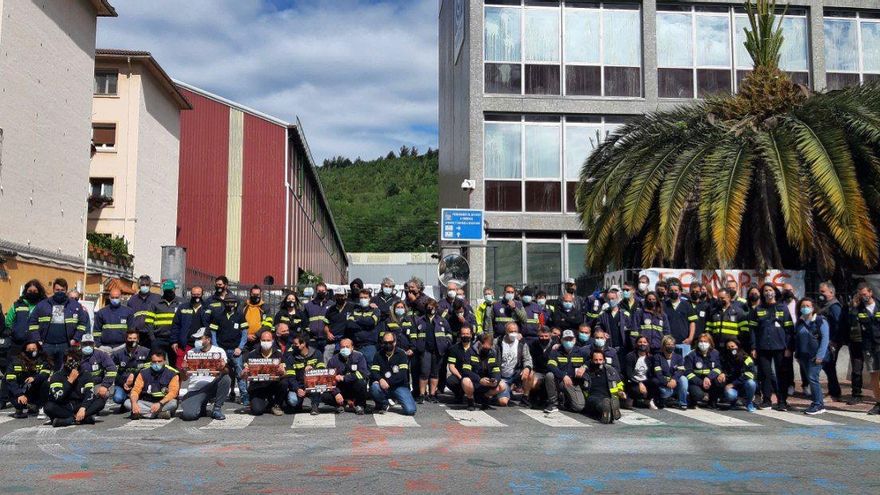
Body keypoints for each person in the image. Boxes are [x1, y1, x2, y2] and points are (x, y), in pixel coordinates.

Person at [749, 283, 794, 411]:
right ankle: (767, 401)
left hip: (780, 347)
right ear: (762, 294)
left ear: (775, 292)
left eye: (770, 290)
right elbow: (753, 330)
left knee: (782, 374)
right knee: (765, 374)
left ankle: (782, 401)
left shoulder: (783, 308)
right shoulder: (758, 309)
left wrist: (789, 347)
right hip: (763, 347)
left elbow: (789, 329)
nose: (768, 292)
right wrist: (753, 347)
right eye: (765, 290)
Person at [2, 280, 45, 408]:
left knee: (33, 371)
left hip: (34, 345)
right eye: (30, 291)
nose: (32, 293)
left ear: (39, 292)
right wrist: (15, 332)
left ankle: (33, 400)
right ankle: (3, 399)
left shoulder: (43, 305)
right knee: (10, 372)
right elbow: (9, 321)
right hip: (17, 344)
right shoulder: (18, 304)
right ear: (25, 291)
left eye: (35, 291)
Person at [28, 278, 88, 370]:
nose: (60, 292)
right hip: (46, 345)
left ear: (66, 290)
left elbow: (82, 324)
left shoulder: (75, 305)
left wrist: (75, 339)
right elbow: (32, 323)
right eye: (57, 290)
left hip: (66, 345)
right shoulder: (42, 305)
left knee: (63, 371)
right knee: (45, 370)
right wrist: (37, 340)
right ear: (53, 289)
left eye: (62, 290)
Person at [179, 327, 230, 421]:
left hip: (212, 386)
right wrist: (183, 369)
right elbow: (184, 378)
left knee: (226, 378)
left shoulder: (219, 351)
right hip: (195, 389)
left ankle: (217, 408)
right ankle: (201, 405)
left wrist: (223, 367)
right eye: (196, 339)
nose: (196, 341)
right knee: (189, 415)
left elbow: (227, 371)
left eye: (199, 338)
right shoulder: (190, 353)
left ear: (208, 339)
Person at [45, 349, 104, 427]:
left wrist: (83, 408)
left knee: (100, 401)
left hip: (80, 404)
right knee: (48, 407)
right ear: (64, 362)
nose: (74, 363)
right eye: (70, 361)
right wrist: (69, 381)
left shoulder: (86, 374)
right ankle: (83, 419)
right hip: (65, 405)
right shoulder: (57, 376)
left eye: (76, 360)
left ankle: (69, 420)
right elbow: (58, 397)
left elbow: (89, 394)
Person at [208, 296, 249, 405]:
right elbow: (213, 333)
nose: (230, 304)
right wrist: (216, 348)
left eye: (232, 302)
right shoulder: (217, 316)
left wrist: (240, 347)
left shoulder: (240, 316)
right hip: (222, 350)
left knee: (240, 374)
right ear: (224, 303)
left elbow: (245, 333)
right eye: (227, 302)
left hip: (236, 351)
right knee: (217, 373)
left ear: (236, 304)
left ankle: (244, 396)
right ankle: (214, 396)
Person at [794, 298, 829, 415]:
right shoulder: (800, 322)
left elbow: (825, 339)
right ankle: (817, 402)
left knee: (813, 378)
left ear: (813, 308)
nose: (805, 308)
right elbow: (797, 339)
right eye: (803, 306)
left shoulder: (820, 321)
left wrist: (820, 356)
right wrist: (797, 354)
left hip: (815, 356)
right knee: (810, 379)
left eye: (808, 306)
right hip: (804, 355)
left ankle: (818, 404)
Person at [370, 332, 416, 416]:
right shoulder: (378, 354)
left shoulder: (402, 354)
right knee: (374, 387)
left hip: (399, 386)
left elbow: (402, 374)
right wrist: (380, 379)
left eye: (390, 342)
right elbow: (374, 371)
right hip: (383, 386)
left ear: (395, 342)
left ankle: (394, 398)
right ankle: (384, 403)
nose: (387, 345)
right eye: (385, 343)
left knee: (410, 410)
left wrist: (387, 382)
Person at [242, 330, 286, 416]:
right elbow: (244, 376)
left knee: (284, 382)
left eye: (268, 340)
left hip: (272, 385)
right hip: (257, 387)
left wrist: (282, 371)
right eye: (264, 340)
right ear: (260, 341)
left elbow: (285, 373)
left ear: (272, 341)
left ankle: (276, 404)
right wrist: (244, 373)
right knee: (257, 411)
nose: (266, 342)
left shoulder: (278, 354)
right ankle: (267, 403)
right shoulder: (252, 354)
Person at [544, 330, 589, 413]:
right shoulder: (556, 352)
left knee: (578, 407)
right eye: (566, 339)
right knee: (549, 375)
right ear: (561, 340)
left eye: (570, 339)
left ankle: (565, 400)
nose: (568, 341)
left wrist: (584, 367)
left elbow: (590, 361)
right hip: (559, 381)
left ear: (574, 340)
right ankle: (553, 403)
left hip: (574, 382)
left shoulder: (581, 352)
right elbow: (550, 365)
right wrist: (563, 376)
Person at [125, 350, 179, 419]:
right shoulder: (143, 373)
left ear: (164, 362)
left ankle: (144, 414)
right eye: (154, 362)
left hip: (163, 403)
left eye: (159, 361)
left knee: (173, 403)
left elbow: (173, 393)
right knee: (127, 402)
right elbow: (135, 390)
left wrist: (160, 403)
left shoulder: (172, 374)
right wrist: (134, 404)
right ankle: (159, 414)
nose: (157, 364)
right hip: (147, 402)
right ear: (151, 362)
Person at [417, 300, 452, 403]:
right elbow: (415, 335)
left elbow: (449, 334)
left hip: (438, 351)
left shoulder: (442, 320)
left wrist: (446, 343)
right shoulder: (420, 320)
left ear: (436, 308)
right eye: (429, 306)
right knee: (424, 372)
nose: (431, 309)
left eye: (433, 307)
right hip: (425, 350)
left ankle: (432, 394)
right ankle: (422, 394)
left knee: (435, 373)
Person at [7, 339, 51, 418]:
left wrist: (35, 378)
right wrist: (19, 394)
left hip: (34, 389)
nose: (32, 351)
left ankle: (39, 406)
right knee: (19, 403)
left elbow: (45, 374)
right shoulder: (17, 361)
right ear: (25, 350)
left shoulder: (43, 359)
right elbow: (10, 379)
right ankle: (20, 409)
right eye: (29, 350)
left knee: (46, 384)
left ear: (38, 349)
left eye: (34, 349)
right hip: (19, 390)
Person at [854, 282, 880, 415]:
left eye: (865, 294)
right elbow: (852, 324)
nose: (863, 297)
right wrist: (853, 308)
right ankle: (878, 403)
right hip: (869, 346)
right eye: (861, 295)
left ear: (870, 292)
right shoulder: (858, 309)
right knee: (874, 374)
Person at [283, 333, 326, 415]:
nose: (293, 346)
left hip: (313, 384)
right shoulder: (291, 357)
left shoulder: (317, 353)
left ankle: (315, 405)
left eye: (295, 344)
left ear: (303, 344)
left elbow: (322, 371)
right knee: (293, 401)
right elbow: (291, 377)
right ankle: (298, 405)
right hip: (299, 385)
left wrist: (313, 370)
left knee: (317, 388)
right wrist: (297, 389)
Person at [461, 333, 505, 410]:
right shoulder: (470, 352)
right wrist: (479, 380)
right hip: (474, 382)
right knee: (465, 380)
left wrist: (495, 380)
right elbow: (466, 370)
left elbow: (496, 369)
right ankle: (470, 401)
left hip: (487, 382)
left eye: (489, 348)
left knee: (502, 385)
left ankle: (486, 399)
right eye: (485, 348)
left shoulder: (492, 353)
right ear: (479, 343)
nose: (486, 350)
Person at [494, 322, 533, 407]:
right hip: (502, 376)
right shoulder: (497, 342)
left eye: (515, 331)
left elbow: (528, 359)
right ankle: (505, 391)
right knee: (503, 402)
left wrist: (527, 368)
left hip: (516, 374)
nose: (513, 333)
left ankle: (525, 398)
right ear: (506, 331)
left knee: (530, 373)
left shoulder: (521, 343)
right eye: (511, 331)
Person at [326, 338, 370, 414]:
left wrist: (345, 378)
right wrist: (336, 393)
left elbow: (363, 374)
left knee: (361, 382)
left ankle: (360, 405)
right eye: (343, 347)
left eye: (347, 346)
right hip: (341, 388)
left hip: (354, 387)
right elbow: (328, 379)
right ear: (340, 348)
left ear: (352, 347)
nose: (345, 349)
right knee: (324, 395)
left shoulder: (359, 357)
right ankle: (342, 404)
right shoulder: (333, 360)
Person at [818, 282, 844, 402]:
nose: (820, 294)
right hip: (826, 341)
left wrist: (834, 340)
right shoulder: (826, 305)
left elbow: (838, 324)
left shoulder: (834, 306)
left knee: (829, 366)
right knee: (828, 366)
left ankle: (835, 393)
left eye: (823, 291)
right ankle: (833, 391)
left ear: (831, 292)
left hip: (831, 342)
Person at [111, 329, 151, 409]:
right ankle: (126, 401)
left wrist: (133, 376)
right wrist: (124, 383)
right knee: (118, 398)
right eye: (130, 338)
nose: (132, 340)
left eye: (134, 338)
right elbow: (114, 373)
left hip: (140, 383)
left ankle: (135, 402)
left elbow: (148, 371)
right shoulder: (117, 354)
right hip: (122, 384)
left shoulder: (146, 352)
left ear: (138, 340)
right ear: (126, 339)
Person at [583, 349, 626, 424]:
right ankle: (609, 411)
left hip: (609, 396)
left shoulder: (611, 370)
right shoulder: (586, 371)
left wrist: (620, 392)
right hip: (592, 397)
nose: (598, 362)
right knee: (598, 403)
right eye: (595, 360)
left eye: (600, 360)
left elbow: (619, 383)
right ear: (591, 360)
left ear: (604, 360)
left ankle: (609, 412)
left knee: (608, 401)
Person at [170, 286, 207, 366]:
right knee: (182, 367)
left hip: (202, 344)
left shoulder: (207, 308)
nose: (196, 296)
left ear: (202, 294)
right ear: (191, 294)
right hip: (185, 344)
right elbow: (176, 325)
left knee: (201, 368)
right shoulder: (183, 307)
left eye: (198, 294)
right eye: (194, 294)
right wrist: (174, 341)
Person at [685, 333, 724, 409]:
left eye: (705, 341)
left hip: (710, 381)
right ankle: (692, 399)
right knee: (698, 395)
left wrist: (709, 377)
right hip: (696, 382)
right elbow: (688, 372)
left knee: (720, 381)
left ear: (710, 343)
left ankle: (712, 401)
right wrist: (701, 382)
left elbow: (718, 368)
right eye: (701, 341)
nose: (703, 343)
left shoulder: (715, 353)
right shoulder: (691, 354)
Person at [78, 334, 116, 408]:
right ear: (81, 344)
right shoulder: (76, 355)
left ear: (94, 344)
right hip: (80, 386)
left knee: (105, 394)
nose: (88, 346)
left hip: (96, 385)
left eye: (90, 343)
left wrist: (104, 386)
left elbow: (112, 369)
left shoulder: (101, 354)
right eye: (85, 344)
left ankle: (94, 408)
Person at [650, 336, 688, 410]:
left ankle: (683, 403)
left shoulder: (679, 357)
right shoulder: (657, 357)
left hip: (674, 382)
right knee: (666, 393)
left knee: (684, 379)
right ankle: (666, 400)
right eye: (668, 344)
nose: (671, 346)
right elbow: (658, 374)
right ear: (663, 346)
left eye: (672, 344)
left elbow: (681, 371)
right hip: (663, 383)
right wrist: (667, 383)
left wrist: (674, 379)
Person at [720, 338, 757, 412]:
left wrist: (733, 384)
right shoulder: (725, 359)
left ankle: (749, 402)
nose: (730, 349)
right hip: (733, 387)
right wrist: (722, 373)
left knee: (751, 383)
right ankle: (733, 403)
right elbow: (723, 369)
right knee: (729, 394)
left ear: (738, 346)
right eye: (728, 347)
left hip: (743, 385)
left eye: (732, 346)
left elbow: (750, 375)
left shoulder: (746, 358)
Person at [595, 286, 633, 356]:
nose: (611, 301)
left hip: (622, 348)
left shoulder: (625, 314)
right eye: (609, 299)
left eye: (613, 299)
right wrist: (602, 333)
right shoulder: (603, 314)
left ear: (618, 299)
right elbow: (598, 326)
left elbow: (630, 330)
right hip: (609, 347)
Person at [93, 288, 135, 352]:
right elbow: (96, 331)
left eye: (116, 297)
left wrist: (128, 345)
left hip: (122, 346)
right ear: (109, 297)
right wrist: (98, 345)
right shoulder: (101, 312)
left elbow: (131, 330)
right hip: (105, 347)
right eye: (112, 297)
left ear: (120, 297)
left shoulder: (128, 312)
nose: (114, 299)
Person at [127, 275, 161, 346]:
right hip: (137, 335)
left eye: (147, 285)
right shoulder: (132, 300)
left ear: (150, 286)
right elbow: (129, 318)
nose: (145, 286)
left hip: (153, 334)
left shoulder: (157, 298)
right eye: (143, 285)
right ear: (139, 286)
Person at [151, 280, 181, 362]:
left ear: (174, 289)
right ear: (163, 290)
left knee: (175, 363)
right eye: (166, 290)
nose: (168, 292)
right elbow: (149, 322)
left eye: (170, 290)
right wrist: (153, 338)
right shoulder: (155, 303)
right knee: (158, 362)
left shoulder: (181, 303)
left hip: (175, 339)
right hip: (159, 338)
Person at [665, 281, 696, 357]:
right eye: (671, 291)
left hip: (684, 343)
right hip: (668, 343)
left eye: (676, 290)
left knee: (684, 363)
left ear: (680, 292)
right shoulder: (664, 305)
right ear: (668, 292)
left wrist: (690, 338)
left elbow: (692, 322)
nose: (673, 292)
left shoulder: (687, 305)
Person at [348, 289, 380, 364]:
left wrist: (357, 320)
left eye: (365, 297)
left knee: (369, 366)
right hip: (356, 345)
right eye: (361, 297)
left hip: (369, 346)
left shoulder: (375, 310)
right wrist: (365, 324)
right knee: (355, 367)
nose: (363, 299)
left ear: (369, 299)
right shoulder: (355, 310)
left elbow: (371, 322)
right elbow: (349, 324)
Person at [526, 326, 555, 408]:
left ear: (550, 335)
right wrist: (532, 370)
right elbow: (531, 359)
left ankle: (549, 400)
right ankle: (533, 399)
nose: (544, 338)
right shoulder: (534, 344)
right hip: (539, 371)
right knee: (532, 381)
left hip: (551, 372)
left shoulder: (555, 345)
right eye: (541, 336)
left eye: (546, 336)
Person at [446, 325, 475, 404]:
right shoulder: (454, 349)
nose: (465, 336)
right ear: (460, 335)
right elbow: (451, 366)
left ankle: (474, 395)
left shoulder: (476, 348)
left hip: (473, 375)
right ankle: (459, 394)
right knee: (450, 381)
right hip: (459, 375)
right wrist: (461, 377)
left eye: (467, 334)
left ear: (471, 335)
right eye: (463, 334)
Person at [304, 282, 334, 358]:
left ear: (326, 291)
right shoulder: (308, 305)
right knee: (313, 359)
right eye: (319, 291)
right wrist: (308, 332)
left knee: (326, 360)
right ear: (316, 291)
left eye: (323, 291)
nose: (321, 292)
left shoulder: (332, 305)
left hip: (326, 339)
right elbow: (304, 321)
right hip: (313, 339)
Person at [324, 291, 353, 363]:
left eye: (342, 296)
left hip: (347, 341)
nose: (340, 298)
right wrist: (328, 333)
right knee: (327, 359)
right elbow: (325, 325)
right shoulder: (330, 309)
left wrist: (372, 304)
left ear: (345, 296)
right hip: (333, 341)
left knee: (347, 361)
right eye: (338, 296)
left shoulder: (352, 307)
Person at [243, 285, 273, 352]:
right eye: (254, 294)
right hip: (245, 340)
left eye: (258, 295)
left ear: (260, 294)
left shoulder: (265, 307)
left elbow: (268, 325)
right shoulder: (244, 306)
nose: (256, 296)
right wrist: (246, 335)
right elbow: (239, 322)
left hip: (259, 340)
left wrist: (256, 335)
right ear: (250, 294)